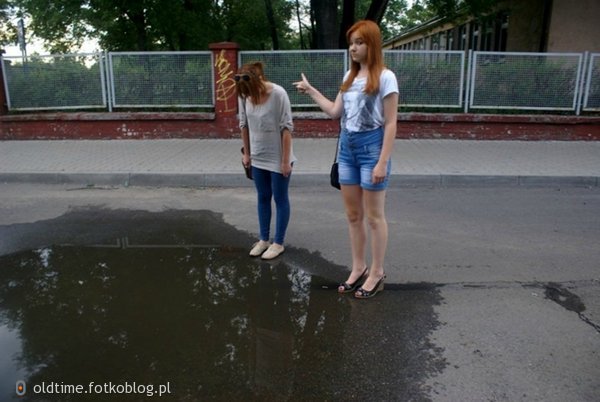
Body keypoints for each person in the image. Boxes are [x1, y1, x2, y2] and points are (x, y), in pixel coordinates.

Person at [294, 20, 398, 299]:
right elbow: (334, 112)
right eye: (351, 42)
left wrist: (381, 162)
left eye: (359, 42)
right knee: (353, 216)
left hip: (372, 149)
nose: (353, 47)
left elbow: (390, 123)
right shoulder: (349, 77)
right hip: (347, 150)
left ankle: (377, 271)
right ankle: (359, 267)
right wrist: (311, 90)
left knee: (375, 218)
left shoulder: (386, 77)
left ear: (372, 45)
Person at [237, 61, 296, 260]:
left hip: (279, 156)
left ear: (259, 80)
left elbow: (286, 128)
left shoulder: (278, 94)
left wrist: (285, 161)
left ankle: (278, 243)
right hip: (257, 156)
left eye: (251, 91)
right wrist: (247, 154)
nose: (249, 96)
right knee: (263, 196)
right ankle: (263, 240)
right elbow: (244, 125)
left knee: (280, 198)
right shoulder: (245, 94)